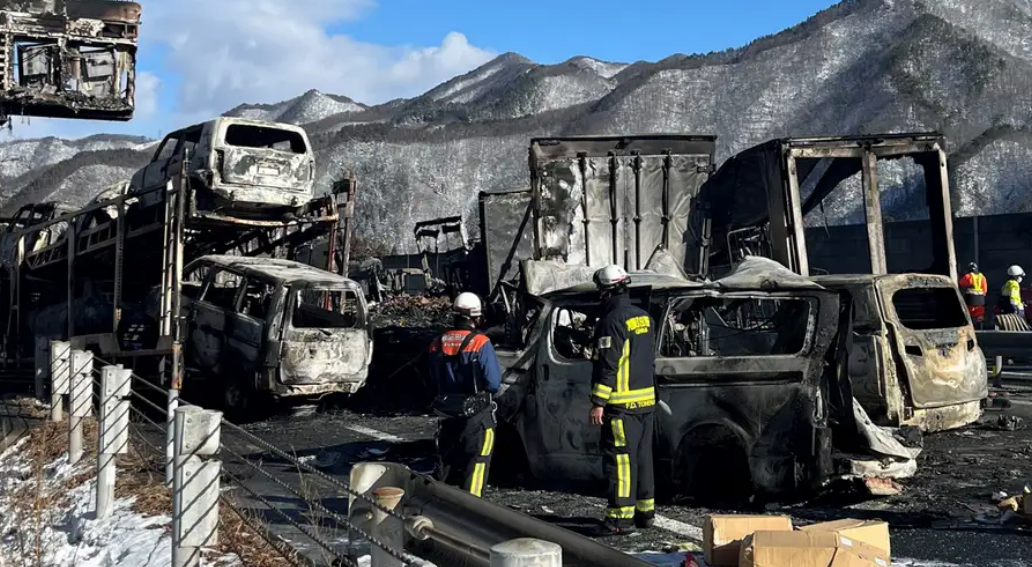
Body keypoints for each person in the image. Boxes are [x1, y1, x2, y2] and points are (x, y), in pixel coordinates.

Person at [588, 264, 657, 536]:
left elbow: (608, 365)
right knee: (642, 459)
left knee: (620, 462)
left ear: (606, 292)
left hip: (621, 407)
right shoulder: (644, 318)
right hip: (645, 403)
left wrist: (598, 402)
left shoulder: (611, 321)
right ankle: (645, 513)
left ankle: (619, 519)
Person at [428, 292, 503, 498]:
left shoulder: (437, 342)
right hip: (477, 417)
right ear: (475, 317)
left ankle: (444, 510)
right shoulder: (480, 343)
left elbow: (434, 380)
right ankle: (473, 510)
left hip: (447, 414)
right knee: (477, 465)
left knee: (448, 466)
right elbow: (493, 383)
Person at [958, 262, 988, 328]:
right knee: (979, 318)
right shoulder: (983, 277)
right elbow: (985, 291)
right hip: (980, 304)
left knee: (968, 318)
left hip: (970, 303)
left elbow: (959, 284)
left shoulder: (967, 277)